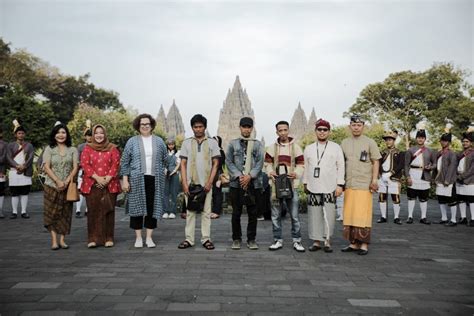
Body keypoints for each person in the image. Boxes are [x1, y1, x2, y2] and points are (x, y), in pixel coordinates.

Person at [120, 114, 167, 248]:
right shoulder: (132, 141)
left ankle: (149, 237)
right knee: (136, 208)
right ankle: (138, 237)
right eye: (142, 124)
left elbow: (165, 158)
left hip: (155, 179)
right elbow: (125, 162)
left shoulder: (159, 141)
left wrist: (164, 170)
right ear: (138, 126)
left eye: (147, 124)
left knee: (152, 207)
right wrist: (125, 179)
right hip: (136, 179)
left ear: (151, 125)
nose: (145, 126)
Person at [340, 115, 381, 255]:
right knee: (350, 213)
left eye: (359, 125)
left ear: (363, 126)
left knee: (363, 214)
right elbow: (340, 163)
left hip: (364, 183)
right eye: (353, 125)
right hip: (349, 183)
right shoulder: (344, 142)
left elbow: (376, 161)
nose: (356, 127)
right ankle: (353, 243)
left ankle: (363, 244)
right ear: (349, 126)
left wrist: (374, 180)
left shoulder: (370, 142)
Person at [178, 114, 220, 250]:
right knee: (190, 212)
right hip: (190, 183)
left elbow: (215, 164)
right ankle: (189, 239)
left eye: (200, 126)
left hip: (206, 184)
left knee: (206, 212)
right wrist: (184, 183)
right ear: (192, 128)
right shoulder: (186, 143)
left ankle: (206, 239)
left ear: (205, 127)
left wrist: (210, 182)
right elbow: (183, 164)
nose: (198, 129)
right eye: (195, 127)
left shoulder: (212, 143)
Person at [303, 119, 344, 253]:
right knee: (315, 214)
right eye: (319, 129)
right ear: (315, 131)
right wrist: (305, 183)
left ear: (329, 132)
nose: (322, 132)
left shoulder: (336, 147)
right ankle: (316, 241)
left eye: (324, 130)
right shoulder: (309, 148)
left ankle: (327, 240)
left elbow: (341, 167)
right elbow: (306, 167)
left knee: (329, 213)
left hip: (330, 186)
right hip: (313, 186)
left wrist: (340, 185)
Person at [265, 120, 305, 252]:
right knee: (275, 215)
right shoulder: (272, 148)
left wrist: (296, 173)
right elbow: (267, 163)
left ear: (288, 130)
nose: (283, 132)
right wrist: (270, 172)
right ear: (277, 132)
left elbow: (301, 164)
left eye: (285, 130)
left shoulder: (296, 147)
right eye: (280, 130)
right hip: (276, 187)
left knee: (294, 215)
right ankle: (277, 240)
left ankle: (297, 240)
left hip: (292, 185)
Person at [226, 117, 264, 250]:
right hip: (236, 183)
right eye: (244, 127)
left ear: (252, 128)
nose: (246, 129)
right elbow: (229, 162)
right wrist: (239, 176)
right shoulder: (233, 144)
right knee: (236, 212)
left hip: (253, 183)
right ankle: (236, 239)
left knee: (252, 213)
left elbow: (260, 162)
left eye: (249, 127)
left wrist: (250, 176)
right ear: (240, 128)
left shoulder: (257, 144)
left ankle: (251, 239)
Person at [80, 124, 121, 248]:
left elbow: (116, 164)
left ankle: (108, 237)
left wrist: (107, 178)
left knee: (109, 211)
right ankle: (92, 238)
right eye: (96, 133)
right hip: (92, 183)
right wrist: (97, 178)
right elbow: (85, 164)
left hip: (110, 184)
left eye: (101, 133)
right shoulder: (87, 148)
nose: (99, 135)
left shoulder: (112, 148)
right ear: (93, 135)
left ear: (105, 134)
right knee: (92, 211)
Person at [42, 122, 79, 250]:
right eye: (58, 132)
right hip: (51, 186)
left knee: (65, 213)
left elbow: (75, 167)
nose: (61, 135)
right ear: (54, 135)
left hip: (67, 187)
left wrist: (67, 181)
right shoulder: (49, 149)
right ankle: (54, 241)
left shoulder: (73, 149)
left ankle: (62, 240)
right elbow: (46, 167)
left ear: (67, 134)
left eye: (63, 132)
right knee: (51, 213)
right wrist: (57, 181)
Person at [405, 128, 436, 224]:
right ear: (416, 138)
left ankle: (423, 217)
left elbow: (435, 164)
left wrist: (430, 167)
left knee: (424, 198)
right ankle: (410, 216)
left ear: (425, 139)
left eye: (422, 138)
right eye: (419, 137)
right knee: (411, 197)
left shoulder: (430, 151)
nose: (420, 139)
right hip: (413, 174)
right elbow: (406, 165)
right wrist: (408, 177)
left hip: (425, 175)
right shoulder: (411, 150)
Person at [6, 120, 34, 219]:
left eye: (22, 133)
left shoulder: (29, 145)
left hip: (25, 171)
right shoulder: (10, 145)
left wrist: (24, 166)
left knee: (24, 192)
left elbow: (31, 157)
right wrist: (17, 165)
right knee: (14, 193)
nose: (21, 135)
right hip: (14, 171)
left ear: (24, 134)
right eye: (19, 133)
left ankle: (23, 211)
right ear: (15, 134)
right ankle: (14, 212)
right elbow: (8, 157)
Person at [377, 130, 404, 225]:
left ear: (394, 140)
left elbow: (400, 165)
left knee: (395, 197)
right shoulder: (382, 152)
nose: (388, 142)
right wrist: (381, 174)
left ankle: (396, 217)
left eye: (390, 140)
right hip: (382, 177)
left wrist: (390, 174)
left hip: (394, 178)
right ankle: (383, 216)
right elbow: (378, 164)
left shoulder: (400, 152)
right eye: (387, 140)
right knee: (382, 197)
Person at [434, 129, 458, 226]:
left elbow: (452, 167)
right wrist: (433, 178)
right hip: (439, 179)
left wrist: (447, 180)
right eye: (442, 141)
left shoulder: (452, 153)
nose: (443, 142)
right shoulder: (439, 153)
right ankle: (444, 218)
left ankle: (453, 220)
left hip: (448, 180)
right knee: (441, 199)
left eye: (445, 141)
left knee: (451, 200)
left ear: (449, 142)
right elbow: (436, 166)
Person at [456, 129, 474, 226]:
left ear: (471, 143)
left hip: (470, 179)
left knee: (471, 199)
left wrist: (462, 176)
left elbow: (472, 169)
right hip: (459, 178)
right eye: (463, 142)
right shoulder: (460, 153)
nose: (464, 143)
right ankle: (463, 217)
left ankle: (473, 218)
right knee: (461, 199)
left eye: (467, 141)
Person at [76, 120, 93, 218]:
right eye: (88, 135)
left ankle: (87, 209)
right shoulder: (80, 147)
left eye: (91, 135)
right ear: (85, 136)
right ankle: (78, 210)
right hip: (82, 171)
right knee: (80, 190)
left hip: (93, 172)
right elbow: (78, 159)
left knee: (90, 191)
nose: (89, 137)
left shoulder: (96, 146)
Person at [163, 138, 180, 219]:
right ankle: (165, 211)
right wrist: (164, 169)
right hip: (165, 174)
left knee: (174, 193)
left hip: (174, 173)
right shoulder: (164, 153)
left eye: (172, 144)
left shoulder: (177, 153)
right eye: (169, 144)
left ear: (174, 145)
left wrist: (174, 170)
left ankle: (173, 211)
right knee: (165, 193)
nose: (171, 146)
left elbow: (178, 164)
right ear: (167, 145)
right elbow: (162, 162)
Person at [211, 135, 225, 219]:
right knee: (212, 193)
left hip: (218, 174)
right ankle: (213, 210)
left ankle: (216, 211)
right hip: (211, 174)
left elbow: (221, 165)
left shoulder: (221, 151)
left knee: (217, 193)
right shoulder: (211, 151)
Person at [0, 127, 7, 219]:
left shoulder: (5, 144)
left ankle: (0, 210)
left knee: (1, 191)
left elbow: (5, 158)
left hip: (1, 171)